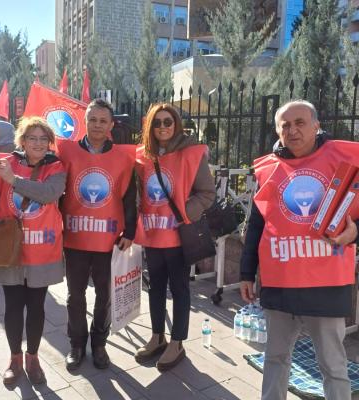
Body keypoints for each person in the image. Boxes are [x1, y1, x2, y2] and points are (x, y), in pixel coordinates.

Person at [240, 100, 359, 400]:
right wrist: (246, 273)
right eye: (285, 125)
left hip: (326, 283)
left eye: (300, 123)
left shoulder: (343, 161)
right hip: (280, 282)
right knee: (275, 358)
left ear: (316, 125)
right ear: (278, 132)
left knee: (333, 365)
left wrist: (355, 232)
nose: (292, 130)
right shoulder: (268, 169)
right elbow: (256, 225)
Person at [0, 116, 66, 385]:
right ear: (22, 141)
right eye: (32, 138)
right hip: (7, 249)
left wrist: (15, 180)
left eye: (43, 139)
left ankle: (33, 358)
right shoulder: (4, 165)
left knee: (36, 307)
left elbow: (49, 193)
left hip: (42, 250)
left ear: (50, 142)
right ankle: (15, 359)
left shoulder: (56, 167)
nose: (38, 143)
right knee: (13, 306)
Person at [134, 103, 215, 371]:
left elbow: (207, 193)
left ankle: (177, 342)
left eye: (168, 122)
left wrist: (184, 213)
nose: (163, 127)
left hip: (179, 236)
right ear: (150, 126)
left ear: (176, 124)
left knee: (179, 288)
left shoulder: (191, 152)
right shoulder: (142, 156)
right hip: (153, 234)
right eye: (157, 122)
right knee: (155, 287)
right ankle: (157, 336)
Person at [57, 98, 137, 371]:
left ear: (111, 125)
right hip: (75, 236)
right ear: (85, 121)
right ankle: (77, 344)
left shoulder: (123, 157)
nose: (98, 125)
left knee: (105, 295)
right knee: (75, 295)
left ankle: (99, 343)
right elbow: (57, 191)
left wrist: (130, 230)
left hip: (109, 238)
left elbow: (130, 196)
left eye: (103, 121)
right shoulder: (66, 152)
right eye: (93, 119)